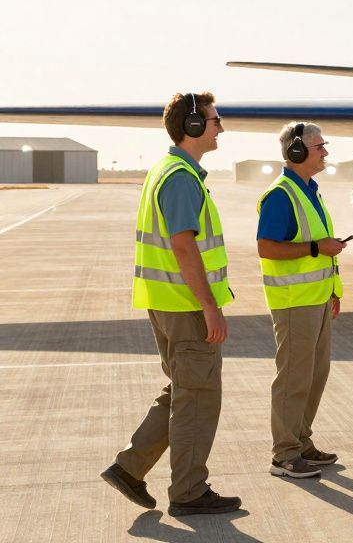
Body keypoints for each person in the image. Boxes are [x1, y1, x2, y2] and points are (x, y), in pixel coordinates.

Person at [101, 92, 241, 516]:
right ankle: (189, 492)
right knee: (198, 398)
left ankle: (129, 468)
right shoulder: (180, 177)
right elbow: (183, 246)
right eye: (216, 121)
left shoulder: (169, 170)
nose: (221, 127)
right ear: (193, 127)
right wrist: (210, 308)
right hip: (186, 307)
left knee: (183, 390)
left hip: (166, 302)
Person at [257, 122, 347, 479]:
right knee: (294, 378)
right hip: (295, 302)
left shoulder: (311, 191)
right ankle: (284, 454)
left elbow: (322, 246)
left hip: (319, 298)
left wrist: (334, 289)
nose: (325, 152)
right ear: (296, 152)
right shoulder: (281, 195)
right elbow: (266, 247)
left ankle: (301, 440)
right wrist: (316, 248)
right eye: (319, 146)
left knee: (315, 376)